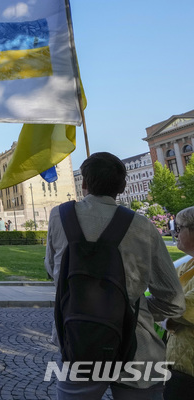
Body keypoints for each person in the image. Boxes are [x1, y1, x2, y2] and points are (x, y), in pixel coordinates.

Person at [45, 152, 185, 399]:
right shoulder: (142, 226)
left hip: (78, 341)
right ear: (122, 187)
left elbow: (51, 269)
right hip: (136, 346)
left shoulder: (59, 216)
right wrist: (131, 308)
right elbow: (173, 300)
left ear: (84, 183)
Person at [163, 206, 194, 398]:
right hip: (180, 362)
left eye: (179, 227)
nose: (175, 232)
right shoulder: (186, 264)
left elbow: (186, 307)